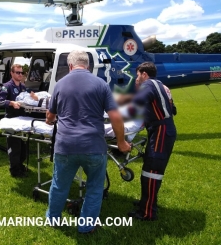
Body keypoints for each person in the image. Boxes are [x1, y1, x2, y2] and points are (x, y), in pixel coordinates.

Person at [45, 50, 132, 233]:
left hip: (66, 146)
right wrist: (122, 142)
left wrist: (50, 120)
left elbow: (50, 116)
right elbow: (115, 117)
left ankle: (53, 219)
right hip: (93, 145)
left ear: (70, 66)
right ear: (89, 65)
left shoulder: (59, 85)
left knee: (60, 185)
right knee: (94, 188)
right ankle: (86, 226)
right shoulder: (100, 84)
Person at [127, 62, 177, 221]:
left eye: (137, 75)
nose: (136, 79)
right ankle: (146, 203)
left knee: (151, 172)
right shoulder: (162, 86)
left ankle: (147, 212)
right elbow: (173, 109)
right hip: (164, 129)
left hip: (161, 131)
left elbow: (136, 105)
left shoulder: (148, 84)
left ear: (144, 74)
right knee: (150, 169)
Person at [0, 64, 28, 178]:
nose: (20, 75)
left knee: (23, 146)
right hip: (11, 120)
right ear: (12, 73)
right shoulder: (6, 86)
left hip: (22, 120)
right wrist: (11, 103)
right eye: (18, 72)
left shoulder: (23, 87)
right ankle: (14, 170)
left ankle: (20, 165)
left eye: (21, 73)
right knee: (14, 147)